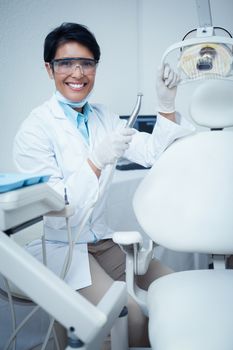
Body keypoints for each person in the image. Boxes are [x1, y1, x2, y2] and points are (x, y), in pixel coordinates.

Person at [13, 22, 195, 348]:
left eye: (87, 63)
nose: (77, 73)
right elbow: (56, 203)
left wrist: (166, 106)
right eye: (66, 63)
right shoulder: (35, 130)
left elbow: (151, 153)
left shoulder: (103, 117)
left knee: (174, 287)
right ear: (48, 68)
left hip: (102, 239)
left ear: (96, 67)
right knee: (132, 317)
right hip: (65, 245)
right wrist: (95, 161)